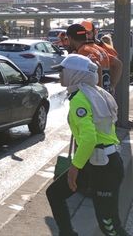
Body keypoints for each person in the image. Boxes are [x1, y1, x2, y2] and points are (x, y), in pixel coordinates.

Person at [46, 54, 128, 236]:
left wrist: (74, 168)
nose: (60, 75)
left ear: (75, 74)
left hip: (104, 167)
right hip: (96, 162)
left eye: (63, 71)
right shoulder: (96, 92)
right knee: (54, 193)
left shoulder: (80, 99)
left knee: (110, 226)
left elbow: (90, 138)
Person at [66, 24, 122, 94]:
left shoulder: (83, 51)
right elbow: (118, 64)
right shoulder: (99, 48)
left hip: (96, 96)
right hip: (106, 93)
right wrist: (112, 86)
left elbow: (97, 66)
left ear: (70, 38)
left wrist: (98, 91)